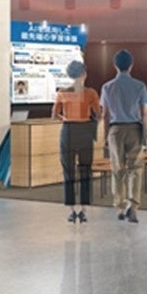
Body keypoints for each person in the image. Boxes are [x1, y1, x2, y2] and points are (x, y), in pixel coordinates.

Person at [100, 49, 147, 224]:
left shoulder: (107, 87)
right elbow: (144, 113)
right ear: (131, 65)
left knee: (117, 169)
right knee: (135, 169)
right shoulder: (140, 86)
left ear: (115, 65)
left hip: (115, 130)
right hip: (135, 129)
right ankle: (133, 207)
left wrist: (105, 136)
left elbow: (105, 115)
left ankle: (120, 207)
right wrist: (146, 134)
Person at [52, 60, 101, 223]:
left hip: (68, 131)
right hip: (85, 131)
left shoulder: (62, 92)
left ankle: (71, 211)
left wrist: (66, 118)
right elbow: (98, 114)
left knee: (68, 171)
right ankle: (84, 210)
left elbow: (54, 115)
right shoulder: (90, 93)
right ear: (84, 74)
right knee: (85, 170)